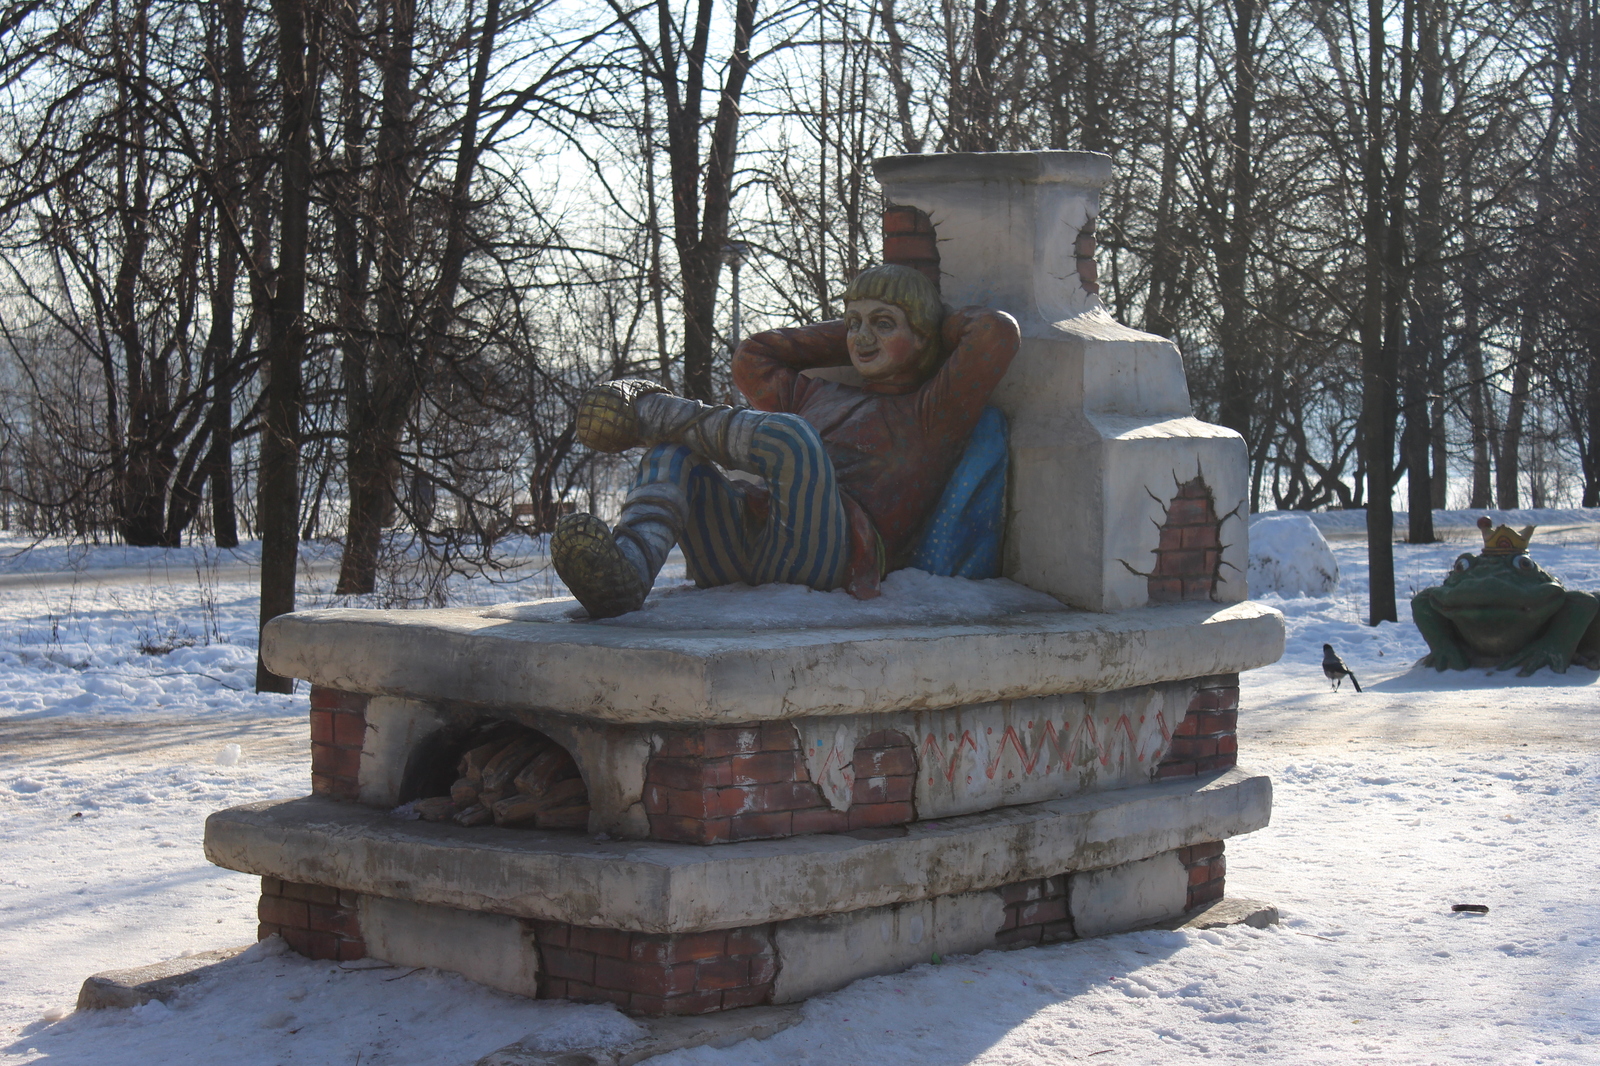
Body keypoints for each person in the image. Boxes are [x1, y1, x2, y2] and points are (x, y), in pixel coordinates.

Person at [551, 263, 1020, 618]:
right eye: (853, 323)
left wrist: (931, 323)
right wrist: (863, 329)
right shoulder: (816, 392)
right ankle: (628, 572)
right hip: (751, 545)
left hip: (831, 559)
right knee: (672, 455)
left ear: (922, 338)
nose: (861, 338)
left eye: (882, 324)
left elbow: (994, 334)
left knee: (793, 440)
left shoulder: (929, 413)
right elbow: (753, 357)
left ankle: (648, 413)